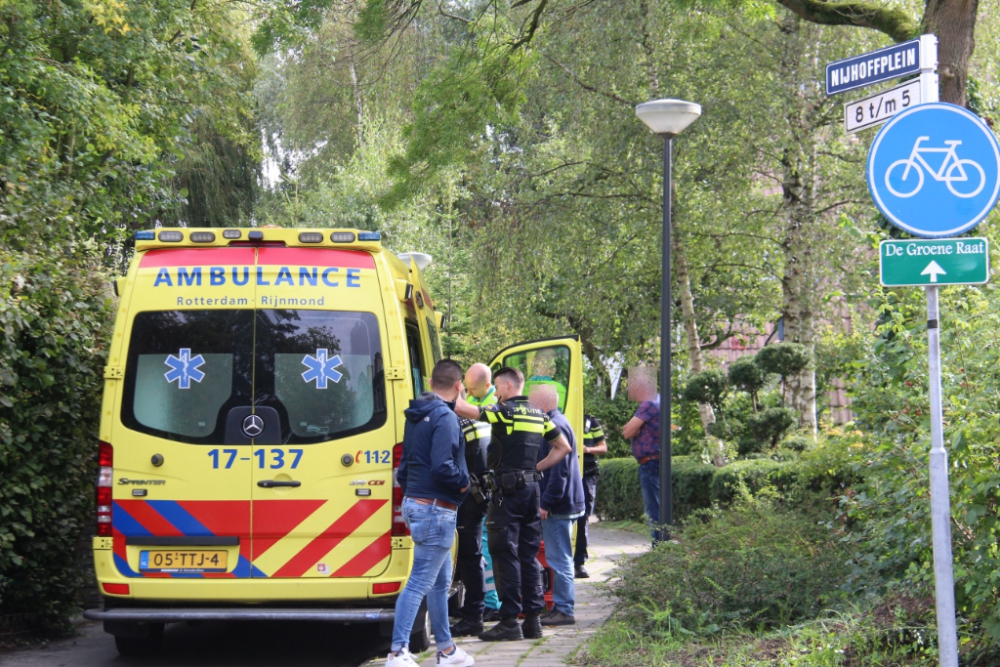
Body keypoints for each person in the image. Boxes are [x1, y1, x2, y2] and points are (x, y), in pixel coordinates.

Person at [455, 366, 572, 642]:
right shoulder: (540, 415)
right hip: (532, 492)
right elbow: (563, 447)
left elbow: (464, 410)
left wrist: (458, 389)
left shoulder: (503, 412)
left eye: (496, 386)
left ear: (507, 386)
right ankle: (532, 622)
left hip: (506, 493)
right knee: (528, 556)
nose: (494, 391)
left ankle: (509, 622)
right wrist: (535, 469)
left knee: (503, 553)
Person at [387, 360, 475, 667]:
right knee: (419, 582)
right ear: (458, 386)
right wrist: (465, 484)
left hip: (417, 504)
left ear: (430, 380)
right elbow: (443, 466)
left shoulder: (415, 416)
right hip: (436, 509)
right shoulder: (446, 418)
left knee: (439, 583)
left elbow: (405, 469)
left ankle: (447, 651)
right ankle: (398, 652)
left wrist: (414, 495)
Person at [449, 364, 500, 637]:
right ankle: (477, 610)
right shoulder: (478, 416)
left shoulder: (459, 419)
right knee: (477, 555)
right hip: (483, 493)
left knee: (474, 556)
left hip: (471, 496)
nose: (469, 392)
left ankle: (478, 613)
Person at [528, 385, 584, 626]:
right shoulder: (560, 421)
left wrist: (545, 503)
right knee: (560, 556)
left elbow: (558, 472)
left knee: (559, 558)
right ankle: (562, 606)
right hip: (567, 502)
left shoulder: (554, 426)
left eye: (530, 402)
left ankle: (564, 609)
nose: (528, 407)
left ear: (541, 404)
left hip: (559, 506)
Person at [621, 370, 663, 544]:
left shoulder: (649, 403)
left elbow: (627, 431)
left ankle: (659, 549)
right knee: (658, 508)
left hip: (651, 464)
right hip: (655, 462)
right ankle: (661, 548)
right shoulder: (659, 400)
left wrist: (634, 429)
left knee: (654, 510)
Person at [574, 414, 607, 578]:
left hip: (587, 474)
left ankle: (579, 563)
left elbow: (603, 447)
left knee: (583, 518)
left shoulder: (590, 421)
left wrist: (588, 449)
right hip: (567, 474)